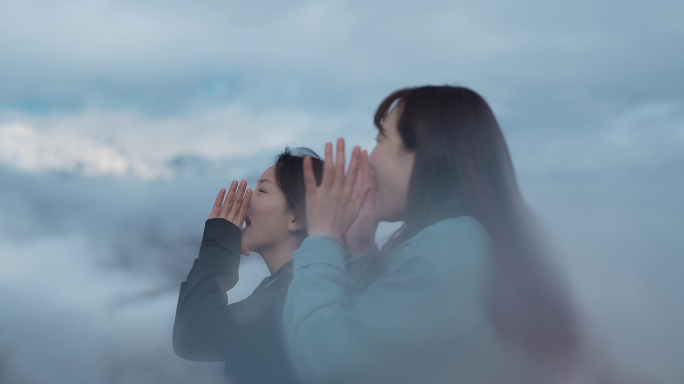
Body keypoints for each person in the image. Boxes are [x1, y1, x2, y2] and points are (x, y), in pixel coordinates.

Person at [283, 86, 585, 384]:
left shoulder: (445, 251)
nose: (369, 158)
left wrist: (322, 237)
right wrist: (362, 245)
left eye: (380, 139)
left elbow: (329, 363)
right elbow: (388, 336)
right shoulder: (467, 241)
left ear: (424, 154)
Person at [173, 147, 323, 384]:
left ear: (296, 218)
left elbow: (192, 335)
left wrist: (219, 244)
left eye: (261, 190)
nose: (246, 199)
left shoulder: (293, 296)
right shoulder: (295, 284)